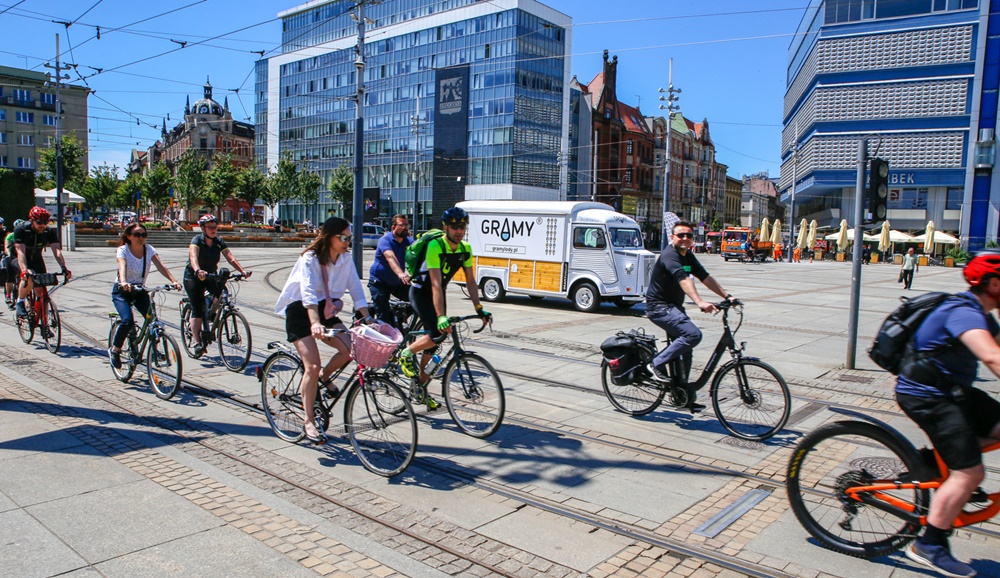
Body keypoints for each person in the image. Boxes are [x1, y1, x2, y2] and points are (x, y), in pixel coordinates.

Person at [895, 250, 1000, 578]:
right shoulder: (964, 313)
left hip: (954, 392)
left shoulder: (983, 315)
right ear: (993, 283)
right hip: (927, 397)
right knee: (971, 474)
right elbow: (993, 358)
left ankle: (939, 461)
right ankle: (930, 545)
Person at [274, 217, 373, 444]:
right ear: (330, 237)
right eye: (344, 237)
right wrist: (315, 322)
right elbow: (307, 292)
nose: (348, 241)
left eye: (350, 237)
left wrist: (368, 318)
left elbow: (356, 289)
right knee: (312, 364)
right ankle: (308, 420)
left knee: (350, 349)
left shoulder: (345, 259)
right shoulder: (309, 258)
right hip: (301, 310)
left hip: (326, 309)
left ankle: (323, 378)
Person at [397, 206, 491, 409]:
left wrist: (479, 307)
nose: (459, 231)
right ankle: (405, 353)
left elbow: (471, 280)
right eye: (454, 227)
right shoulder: (436, 246)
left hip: (438, 293)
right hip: (421, 291)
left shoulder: (465, 248)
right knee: (437, 333)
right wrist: (440, 316)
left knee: (433, 343)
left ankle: (420, 389)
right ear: (445, 227)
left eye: (462, 227)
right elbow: (435, 284)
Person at [645, 220, 736, 412]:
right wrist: (700, 302)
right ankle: (655, 364)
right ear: (672, 238)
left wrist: (727, 296)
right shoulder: (670, 255)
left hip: (674, 307)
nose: (685, 238)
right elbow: (684, 280)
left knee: (686, 349)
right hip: (659, 307)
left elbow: (705, 277)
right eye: (681, 235)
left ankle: (682, 393)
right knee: (692, 335)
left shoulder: (688, 256)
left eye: (689, 235)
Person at [108, 223, 182, 369]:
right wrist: (123, 282)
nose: (141, 238)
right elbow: (121, 266)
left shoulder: (149, 250)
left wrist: (173, 281)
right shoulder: (123, 250)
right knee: (127, 321)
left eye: (143, 235)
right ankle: (115, 350)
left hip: (139, 290)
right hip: (122, 291)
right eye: (137, 235)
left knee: (152, 320)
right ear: (129, 236)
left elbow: (160, 266)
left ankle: (154, 351)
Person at [184, 214, 251, 358]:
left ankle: (211, 316)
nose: (213, 230)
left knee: (222, 294)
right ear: (203, 228)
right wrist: (197, 270)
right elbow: (193, 258)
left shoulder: (219, 242)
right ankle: (197, 343)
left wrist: (242, 271)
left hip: (211, 275)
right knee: (197, 308)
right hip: (194, 277)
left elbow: (230, 257)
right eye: (210, 227)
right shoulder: (197, 241)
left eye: (215, 227)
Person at [14, 207, 72, 318]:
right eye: (39, 222)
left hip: (37, 259)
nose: (42, 225)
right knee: (28, 277)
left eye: (45, 222)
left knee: (42, 293)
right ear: (31, 220)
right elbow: (20, 252)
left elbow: (57, 251)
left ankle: (45, 323)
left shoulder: (49, 231)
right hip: (19, 259)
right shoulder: (21, 230)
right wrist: (24, 270)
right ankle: (20, 301)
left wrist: (64, 267)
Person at [368, 214, 414, 326]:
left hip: (396, 283)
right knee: (383, 317)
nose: (405, 228)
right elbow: (390, 257)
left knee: (418, 299)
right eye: (401, 225)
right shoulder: (385, 240)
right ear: (393, 227)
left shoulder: (407, 241)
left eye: (406, 224)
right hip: (379, 283)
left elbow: (418, 253)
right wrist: (401, 274)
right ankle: (376, 312)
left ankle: (399, 321)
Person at [4, 219, 25, 308]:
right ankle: (8, 295)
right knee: (10, 277)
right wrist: (9, 254)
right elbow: (6, 247)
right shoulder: (10, 236)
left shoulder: (27, 235)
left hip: (22, 257)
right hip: (12, 257)